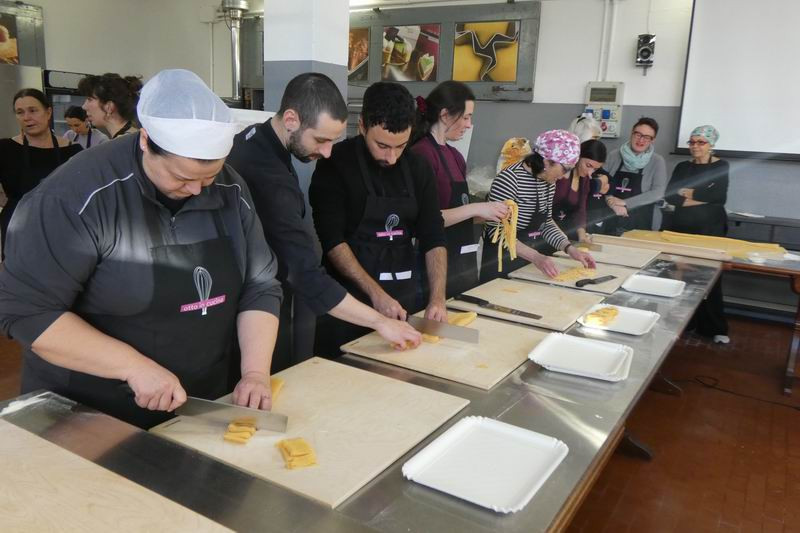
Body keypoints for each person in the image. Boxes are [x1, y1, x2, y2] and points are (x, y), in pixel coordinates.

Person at [0, 69, 282, 429]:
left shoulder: (231, 189)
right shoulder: (75, 196)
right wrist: (133, 366)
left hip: (197, 403)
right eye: (182, 178)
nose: (198, 191)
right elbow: (27, 312)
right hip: (91, 413)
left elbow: (260, 286)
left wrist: (255, 373)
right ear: (146, 141)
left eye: (209, 178)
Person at [227, 73, 420, 371]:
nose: (327, 152)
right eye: (321, 140)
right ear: (291, 119)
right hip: (249, 312)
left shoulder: (257, 139)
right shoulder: (269, 178)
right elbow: (305, 273)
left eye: (334, 141)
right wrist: (379, 321)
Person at [309, 81, 447, 357]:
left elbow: (433, 235)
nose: (392, 157)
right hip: (349, 305)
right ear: (361, 126)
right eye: (382, 145)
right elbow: (333, 242)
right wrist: (377, 295)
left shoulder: (418, 167)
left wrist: (437, 299)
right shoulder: (334, 164)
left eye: (401, 146)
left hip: (405, 299)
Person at [410, 81, 508, 297]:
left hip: (462, 263)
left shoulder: (455, 156)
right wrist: (476, 209)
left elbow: (458, 214)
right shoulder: (422, 154)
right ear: (445, 115)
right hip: (432, 263)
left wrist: (491, 213)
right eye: (465, 117)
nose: (468, 124)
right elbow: (425, 221)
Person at [480, 129, 595, 282]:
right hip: (500, 261)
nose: (564, 176)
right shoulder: (509, 180)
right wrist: (536, 257)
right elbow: (499, 233)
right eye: (565, 169)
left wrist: (570, 248)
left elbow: (546, 223)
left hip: (527, 259)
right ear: (547, 161)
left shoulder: (548, 182)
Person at [664, 125, 730, 343]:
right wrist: (703, 196)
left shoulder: (722, 165)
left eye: (700, 142)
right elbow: (670, 195)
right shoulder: (683, 167)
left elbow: (719, 196)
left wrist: (688, 193)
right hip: (682, 226)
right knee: (681, 273)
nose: (695, 147)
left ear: (711, 145)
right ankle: (684, 322)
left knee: (709, 275)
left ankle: (714, 327)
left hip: (710, 228)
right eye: (692, 142)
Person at [0, 89, 82, 260]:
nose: (26, 117)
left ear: (48, 112)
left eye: (33, 110)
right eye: (20, 112)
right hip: (17, 230)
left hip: (61, 229)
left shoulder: (72, 150)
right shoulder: (5, 148)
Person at [603, 117, 668, 233]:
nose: (641, 140)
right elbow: (601, 183)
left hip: (642, 223)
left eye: (647, 137)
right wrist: (610, 201)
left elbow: (658, 193)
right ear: (632, 133)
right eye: (638, 134)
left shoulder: (657, 161)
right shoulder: (614, 155)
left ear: (653, 140)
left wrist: (625, 203)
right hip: (610, 219)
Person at [551, 139, 607, 243]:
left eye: (595, 169)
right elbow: (544, 212)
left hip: (564, 233)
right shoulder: (560, 175)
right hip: (546, 232)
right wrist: (561, 240)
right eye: (588, 165)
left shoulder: (584, 179)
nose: (590, 173)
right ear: (578, 156)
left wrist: (582, 236)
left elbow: (580, 209)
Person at [78, 73, 141, 139]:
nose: (84, 106)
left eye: (89, 99)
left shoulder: (122, 144)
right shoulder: (133, 136)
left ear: (109, 107)